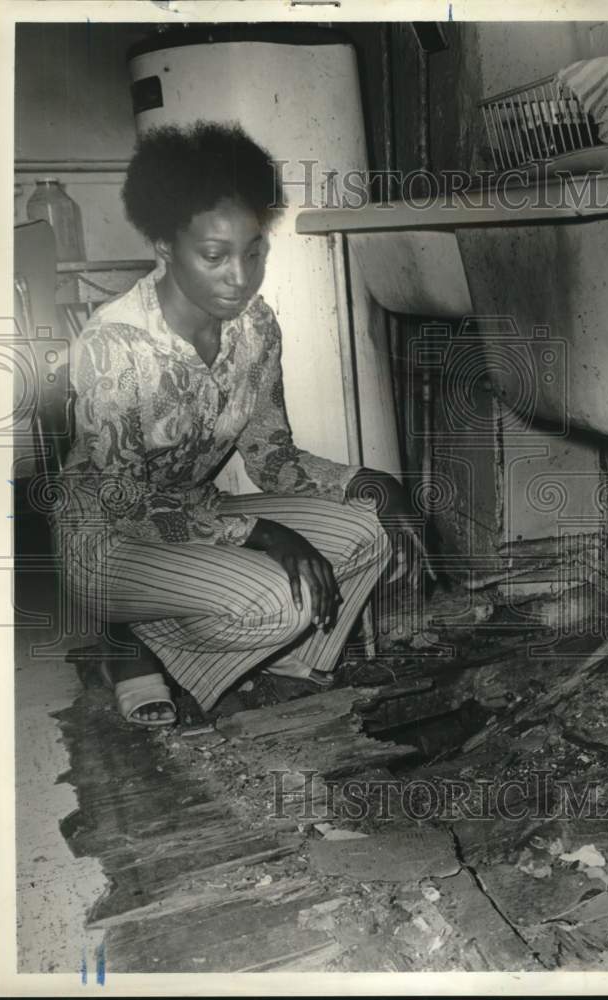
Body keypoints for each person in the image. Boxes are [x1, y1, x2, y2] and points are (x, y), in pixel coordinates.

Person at [56, 121, 425, 726]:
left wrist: (371, 484)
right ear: (165, 248)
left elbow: (270, 455)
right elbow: (123, 498)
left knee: (369, 532)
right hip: (105, 538)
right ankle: (131, 640)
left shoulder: (256, 329)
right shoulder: (114, 343)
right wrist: (269, 536)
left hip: (195, 517)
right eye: (214, 256)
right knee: (278, 599)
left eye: (254, 251)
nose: (240, 276)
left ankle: (285, 669)